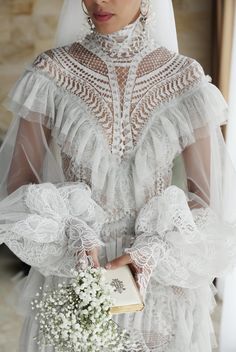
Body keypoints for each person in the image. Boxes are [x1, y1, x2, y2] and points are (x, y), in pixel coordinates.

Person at [0, 0, 236, 351]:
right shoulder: (50, 73)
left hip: (159, 291)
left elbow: (206, 204)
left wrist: (153, 250)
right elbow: (15, 191)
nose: (99, 1)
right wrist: (74, 231)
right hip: (74, 281)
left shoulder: (184, 78)